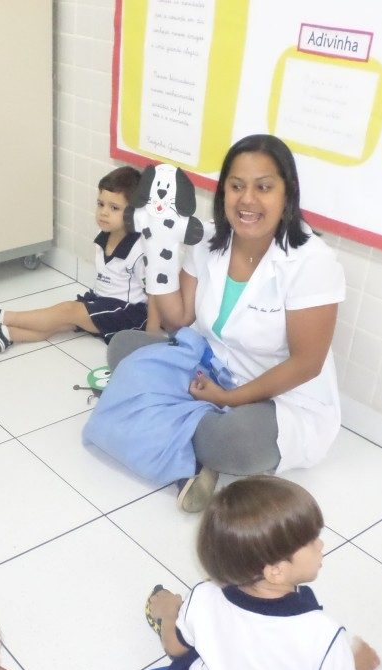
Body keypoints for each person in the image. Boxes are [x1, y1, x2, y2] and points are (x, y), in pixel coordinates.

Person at [108, 135, 346, 513]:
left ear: (288, 193)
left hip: (278, 399)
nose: (247, 200)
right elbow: (179, 320)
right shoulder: (209, 241)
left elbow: (306, 364)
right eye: (236, 186)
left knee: (237, 441)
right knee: (123, 347)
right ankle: (195, 446)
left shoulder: (311, 262)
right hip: (210, 367)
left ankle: (186, 433)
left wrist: (229, 398)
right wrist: (160, 251)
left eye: (264, 187)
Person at [146, 476, 380, 670]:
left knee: (187, 654)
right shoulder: (324, 637)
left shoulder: (204, 596)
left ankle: (173, 615)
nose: (321, 544)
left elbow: (174, 649)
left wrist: (171, 614)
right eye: (310, 541)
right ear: (276, 572)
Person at [0, 166, 159, 352]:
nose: (104, 212)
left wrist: (149, 337)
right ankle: (6, 334)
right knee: (58, 322)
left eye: (114, 208)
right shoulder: (104, 234)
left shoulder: (139, 250)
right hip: (103, 302)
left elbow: (154, 294)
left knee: (67, 310)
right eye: (100, 204)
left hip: (126, 314)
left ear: (134, 213)